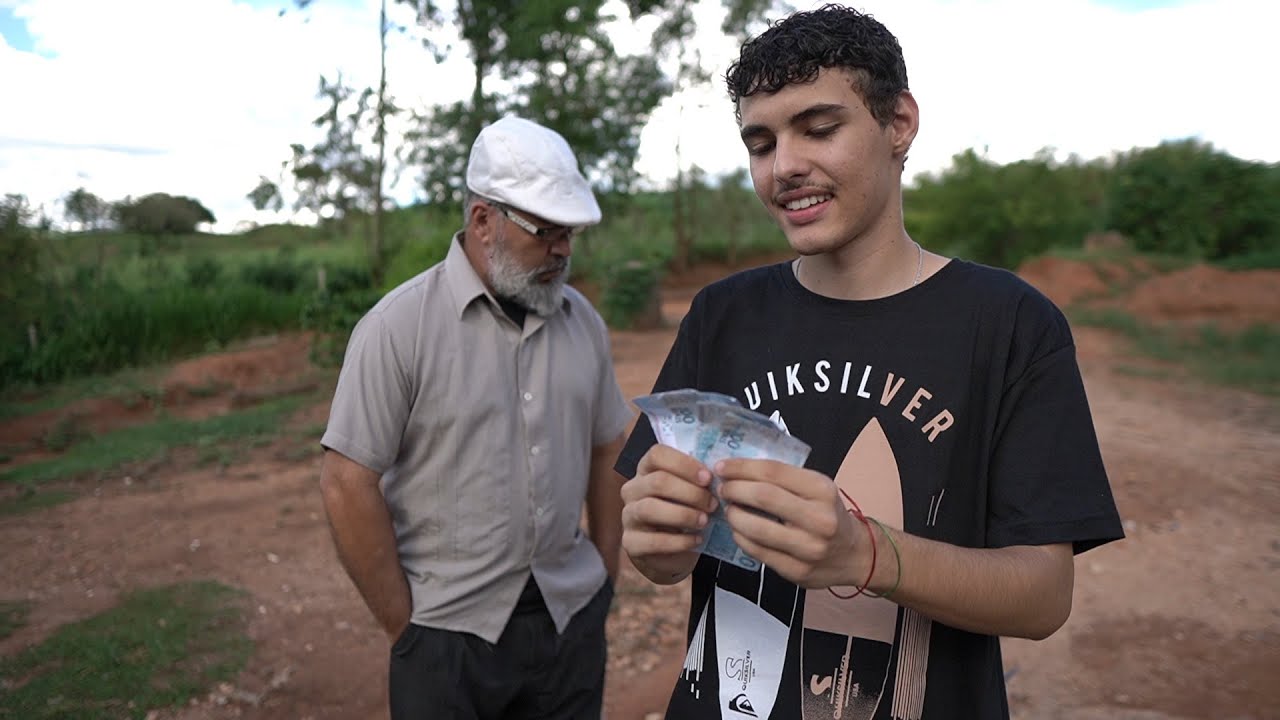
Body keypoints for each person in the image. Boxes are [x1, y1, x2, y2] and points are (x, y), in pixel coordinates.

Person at [614, 5, 1124, 719]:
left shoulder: (1009, 323)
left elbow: (1043, 596)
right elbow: (663, 560)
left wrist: (864, 555)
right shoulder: (721, 316)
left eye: (819, 129)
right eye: (761, 143)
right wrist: (657, 539)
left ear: (899, 124)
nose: (785, 165)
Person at [320, 115, 633, 720]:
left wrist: (605, 577)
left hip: (569, 621)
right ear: (484, 221)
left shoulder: (583, 324)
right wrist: (406, 630)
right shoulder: (397, 328)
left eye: (570, 233)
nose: (563, 250)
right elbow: (346, 481)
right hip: (446, 636)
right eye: (545, 231)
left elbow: (605, 447)